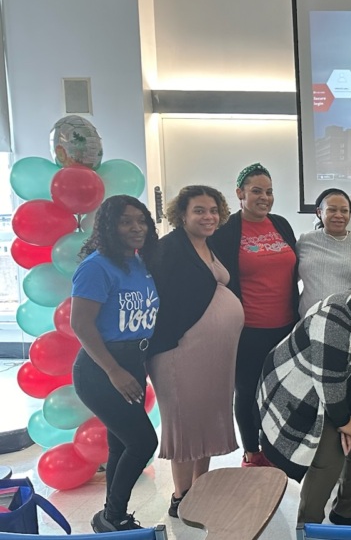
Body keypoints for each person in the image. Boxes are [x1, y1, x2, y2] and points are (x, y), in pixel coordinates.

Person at [259, 246, 351, 525]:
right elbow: (328, 378)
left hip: (347, 392)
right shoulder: (338, 313)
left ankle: (346, 512)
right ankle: (309, 525)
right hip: (304, 390)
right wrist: (343, 421)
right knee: (329, 458)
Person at [148, 186, 243, 517]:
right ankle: (181, 497)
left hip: (214, 357)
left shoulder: (210, 245)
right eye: (200, 210)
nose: (209, 216)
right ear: (182, 215)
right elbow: (160, 301)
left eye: (214, 210)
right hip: (179, 351)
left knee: (208, 421)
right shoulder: (168, 249)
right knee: (184, 425)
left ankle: (201, 489)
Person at [71, 196, 159, 532]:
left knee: (121, 442)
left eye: (141, 220)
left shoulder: (138, 262)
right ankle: (113, 515)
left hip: (132, 362)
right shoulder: (96, 266)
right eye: (126, 221)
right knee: (143, 442)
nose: (136, 228)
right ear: (110, 226)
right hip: (101, 369)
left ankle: (111, 518)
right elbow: (81, 324)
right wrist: (113, 370)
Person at [210, 163, 299, 467]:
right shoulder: (226, 232)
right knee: (247, 392)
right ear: (240, 193)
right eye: (256, 191)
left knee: (279, 390)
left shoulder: (281, 224)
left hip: (286, 326)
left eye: (269, 191)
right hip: (247, 329)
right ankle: (252, 452)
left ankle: (275, 446)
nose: (265, 197)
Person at [297, 187, 351, 318]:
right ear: (319, 212)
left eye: (344, 211)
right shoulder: (305, 241)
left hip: (348, 321)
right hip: (307, 321)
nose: (339, 215)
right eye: (332, 210)